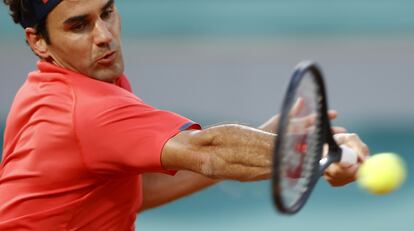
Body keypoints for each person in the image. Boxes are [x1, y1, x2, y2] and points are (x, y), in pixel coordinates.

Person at [0, 0, 369, 230]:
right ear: (38, 42)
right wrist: (318, 153)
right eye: (78, 25)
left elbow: (131, 193)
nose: (104, 36)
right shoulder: (86, 110)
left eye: (108, 12)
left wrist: (266, 138)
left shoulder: (43, 89)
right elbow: (211, 150)